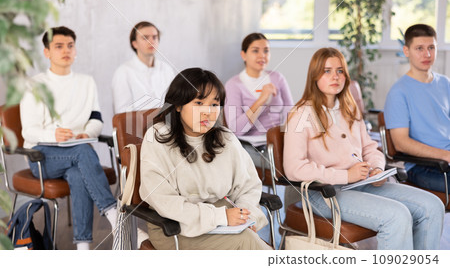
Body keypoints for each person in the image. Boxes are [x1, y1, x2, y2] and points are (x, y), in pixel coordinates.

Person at [283, 47, 444, 249]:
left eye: (340, 71)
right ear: (314, 75)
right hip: (323, 194)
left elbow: (370, 148)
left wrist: (376, 168)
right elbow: (293, 169)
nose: (336, 76)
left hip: (362, 183)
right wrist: (345, 176)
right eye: (327, 71)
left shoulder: (349, 108)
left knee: (433, 206)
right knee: (396, 216)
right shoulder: (300, 114)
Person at [139, 67, 270, 250]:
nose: (208, 112)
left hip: (225, 224)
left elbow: (249, 186)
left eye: (214, 105)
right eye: (199, 103)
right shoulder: (158, 137)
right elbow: (164, 201)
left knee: (248, 239)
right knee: (247, 243)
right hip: (174, 227)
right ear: (178, 105)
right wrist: (220, 216)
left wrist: (246, 215)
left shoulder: (225, 138)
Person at [20, 26, 117, 250]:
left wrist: (88, 133)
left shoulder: (86, 82)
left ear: (76, 50)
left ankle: (82, 248)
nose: (66, 50)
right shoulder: (34, 85)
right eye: (59, 46)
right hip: (41, 156)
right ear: (47, 52)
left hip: (75, 153)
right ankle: (113, 214)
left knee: (77, 172)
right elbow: (28, 132)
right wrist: (52, 134)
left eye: (70, 46)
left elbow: (96, 118)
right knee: (83, 152)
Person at [384, 24, 450, 193]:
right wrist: (445, 155)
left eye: (431, 48)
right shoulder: (399, 92)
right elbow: (401, 143)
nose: (427, 54)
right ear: (406, 51)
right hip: (424, 167)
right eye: (419, 48)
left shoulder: (445, 83)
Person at [224, 32, 293, 168]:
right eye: (255, 51)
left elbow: (291, 113)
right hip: (253, 148)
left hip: (280, 142)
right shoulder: (233, 85)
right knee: (294, 163)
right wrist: (261, 100)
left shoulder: (277, 78)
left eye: (266, 51)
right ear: (243, 55)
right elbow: (236, 129)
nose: (262, 55)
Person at [112, 21, 175, 113]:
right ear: (134, 44)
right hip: (136, 126)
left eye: (154, 37)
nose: (151, 41)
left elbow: (174, 103)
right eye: (145, 38)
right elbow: (122, 114)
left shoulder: (167, 69)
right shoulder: (123, 72)